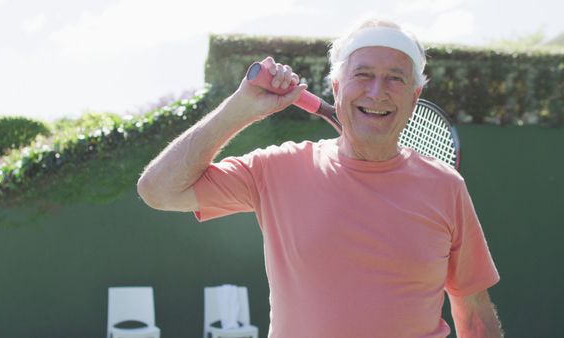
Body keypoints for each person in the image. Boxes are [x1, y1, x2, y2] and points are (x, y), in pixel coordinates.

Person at [138, 19, 502, 338]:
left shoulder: (446, 187)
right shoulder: (276, 170)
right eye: (363, 75)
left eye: (395, 78)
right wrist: (240, 109)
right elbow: (159, 190)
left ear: (414, 95)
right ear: (336, 87)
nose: (377, 91)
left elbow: (474, 317)